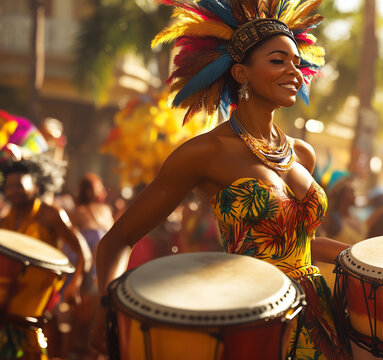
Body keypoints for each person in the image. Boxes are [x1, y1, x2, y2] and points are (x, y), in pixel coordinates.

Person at [91, 1, 351, 359]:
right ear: (241, 73)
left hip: (319, 322)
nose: (295, 70)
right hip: (253, 323)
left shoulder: (302, 153)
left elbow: (300, 241)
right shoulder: (206, 151)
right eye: (278, 60)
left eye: (296, 62)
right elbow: (117, 240)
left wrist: (358, 258)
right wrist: (108, 308)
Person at [0, 155, 92, 359]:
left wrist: (75, 283)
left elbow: (82, 251)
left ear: (37, 186)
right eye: (8, 186)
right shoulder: (4, 220)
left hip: (42, 301)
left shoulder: (50, 214)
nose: (12, 191)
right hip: (9, 302)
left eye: (19, 185)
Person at [67, 173, 114, 359]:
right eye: (97, 186)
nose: (102, 190)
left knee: (99, 324)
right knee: (81, 324)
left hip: (103, 275)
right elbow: (73, 250)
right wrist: (77, 280)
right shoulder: (77, 214)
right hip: (84, 276)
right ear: (88, 190)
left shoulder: (106, 210)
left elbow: (112, 245)